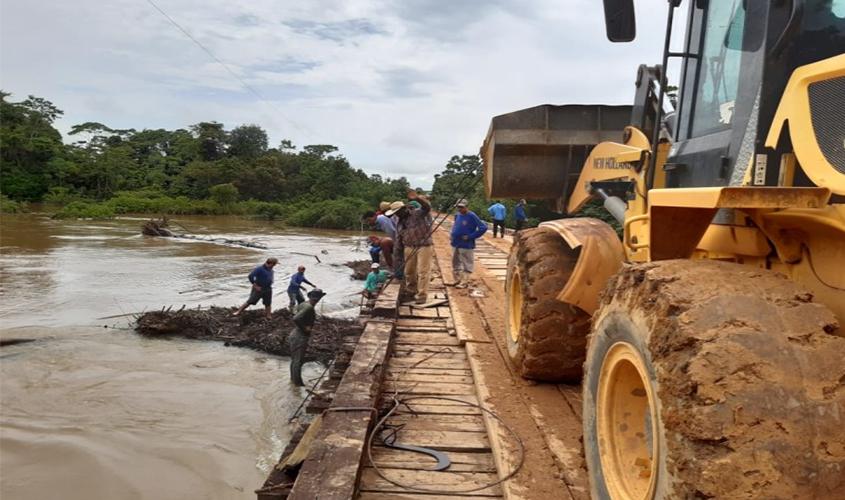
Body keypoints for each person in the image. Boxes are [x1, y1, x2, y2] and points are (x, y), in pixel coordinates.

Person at [387, 191, 433, 304]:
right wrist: (397, 261)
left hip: (424, 245)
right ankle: (411, 291)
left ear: (404, 209)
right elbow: (399, 239)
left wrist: (417, 198)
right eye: (395, 213)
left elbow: (427, 207)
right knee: (409, 271)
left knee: (423, 271)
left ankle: (422, 295)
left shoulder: (417, 213)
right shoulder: (399, 221)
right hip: (408, 246)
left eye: (398, 212)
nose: (396, 214)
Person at [288, 288, 326, 386]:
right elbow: (295, 318)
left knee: (295, 360)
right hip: (300, 336)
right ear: (318, 298)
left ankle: (293, 381)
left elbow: (295, 312)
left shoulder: (303, 304)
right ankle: (298, 384)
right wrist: (305, 328)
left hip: (294, 334)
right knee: (298, 361)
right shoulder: (309, 307)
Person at [450, 199, 487, 288]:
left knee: (467, 263)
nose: (460, 209)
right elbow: (456, 225)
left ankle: (464, 282)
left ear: (466, 207)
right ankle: (457, 280)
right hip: (455, 242)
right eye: (458, 207)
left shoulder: (472, 216)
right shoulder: (457, 215)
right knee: (455, 262)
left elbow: (483, 227)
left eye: (462, 207)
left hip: (466, 244)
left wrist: (471, 236)